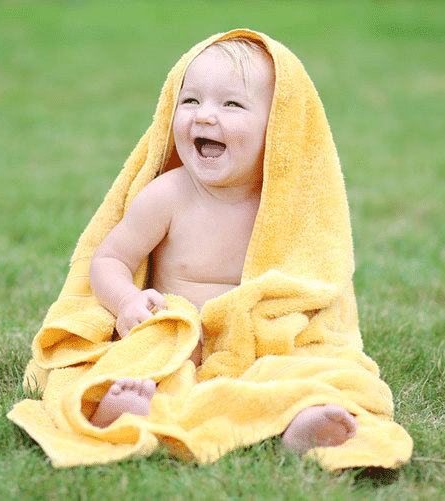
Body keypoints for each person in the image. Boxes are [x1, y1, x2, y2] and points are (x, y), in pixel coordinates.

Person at [87, 38, 358, 453]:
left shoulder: (286, 206)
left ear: (277, 127)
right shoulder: (169, 195)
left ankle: (301, 423)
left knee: (298, 371)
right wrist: (127, 302)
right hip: (180, 342)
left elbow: (315, 277)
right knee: (148, 361)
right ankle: (128, 408)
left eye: (232, 105)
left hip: (254, 346)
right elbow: (108, 258)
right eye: (191, 100)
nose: (206, 116)